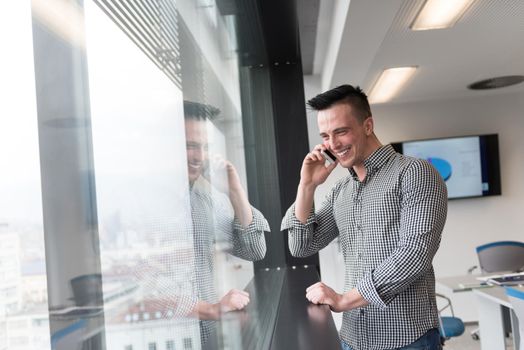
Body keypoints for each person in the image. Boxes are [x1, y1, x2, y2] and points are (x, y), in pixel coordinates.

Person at [281, 85, 447, 350]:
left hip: (407, 340)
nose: (333, 144)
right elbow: (302, 246)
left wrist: (345, 299)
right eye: (325, 136)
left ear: (367, 125)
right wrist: (307, 186)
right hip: (353, 339)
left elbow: (415, 253)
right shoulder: (340, 190)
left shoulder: (415, 173)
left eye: (341, 131)